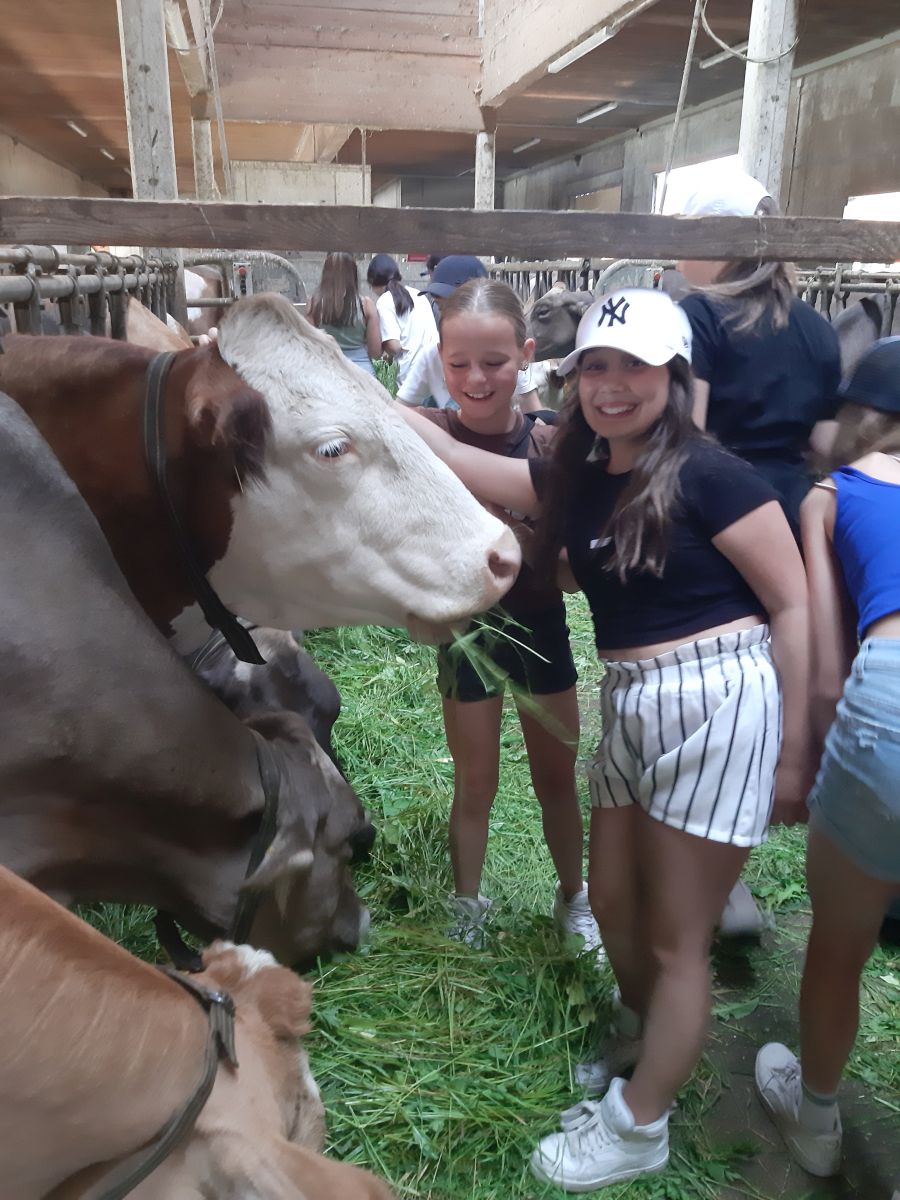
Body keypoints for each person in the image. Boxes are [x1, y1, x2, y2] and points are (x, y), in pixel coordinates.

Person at [396, 288, 809, 1190]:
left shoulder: (712, 473)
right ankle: (640, 1038)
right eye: (597, 366)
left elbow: (791, 600)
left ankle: (639, 1126)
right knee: (613, 904)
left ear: (675, 375)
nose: (613, 385)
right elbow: (461, 461)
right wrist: (353, 394)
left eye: (635, 367)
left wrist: (794, 746)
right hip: (631, 697)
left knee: (675, 937)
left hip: (716, 694)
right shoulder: (583, 476)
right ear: (573, 374)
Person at [420, 277, 600, 954]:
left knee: (557, 779)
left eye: (494, 362)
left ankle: (574, 897)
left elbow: (574, 573)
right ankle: (467, 902)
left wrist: (531, 543)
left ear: (526, 355)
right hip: (466, 634)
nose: (476, 379)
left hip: (540, 627)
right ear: (440, 359)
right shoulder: (426, 439)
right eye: (459, 363)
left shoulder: (550, 444)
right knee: (475, 781)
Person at [755, 336, 900, 1178]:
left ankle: (815, 1122)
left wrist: (803, 767)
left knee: (840, 945)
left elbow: (821, 673)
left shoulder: (833, 495)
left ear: (856, 417)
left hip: (887, 702)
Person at [678, 170, 842, 538]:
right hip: (795, 508)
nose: (678, 260)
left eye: (686, 242)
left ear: (717, 243)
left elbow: (687, 433)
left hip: (720, 508)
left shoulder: (697, 314)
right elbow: (825, 443)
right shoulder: (817, 326)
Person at [398, 256, 541, 411]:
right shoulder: (433, 355)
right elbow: (399, 410)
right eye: (441, 307)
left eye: (492, 364)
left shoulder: (506, 354)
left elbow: (533, 410)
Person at [366, 254, 438, 387]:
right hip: (435, 369)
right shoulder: (419, 295)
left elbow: (394, 346)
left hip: (412, 378)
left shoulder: (384, 301)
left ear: (372, 282)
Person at [308, 252, 382, 376]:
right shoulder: (366, 305)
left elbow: (309, 344)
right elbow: (375, 353)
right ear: (353, 274)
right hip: (361, 372)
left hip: (326, 372)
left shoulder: (314, 303)